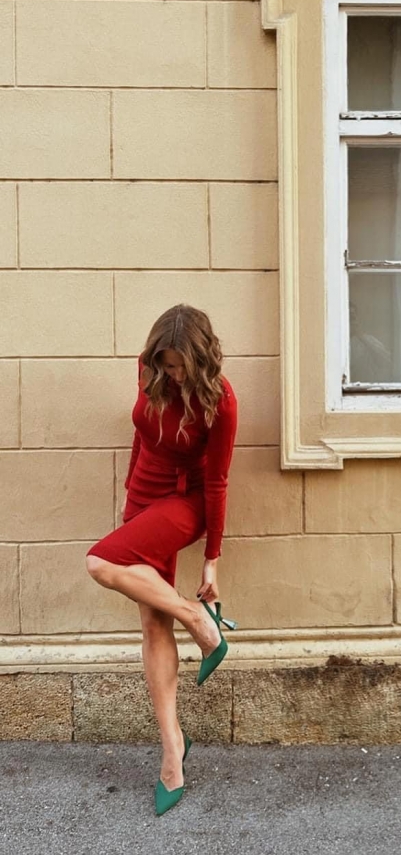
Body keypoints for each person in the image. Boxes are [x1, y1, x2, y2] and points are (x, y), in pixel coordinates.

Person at [86, 304, 238, 816]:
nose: (169, 375)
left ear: (197, 359)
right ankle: (173, 749)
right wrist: (131, 494)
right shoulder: (148, 367)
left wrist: (211, 562)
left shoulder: (222, 401)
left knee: (99, 564)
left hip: (185, 500)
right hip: (144, 497)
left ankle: (198, 617)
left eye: (176, 367)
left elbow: (217, 482)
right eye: (163, 364)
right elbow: (141, 434)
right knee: (153, 623)